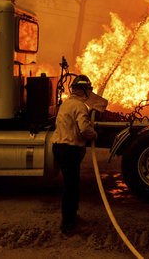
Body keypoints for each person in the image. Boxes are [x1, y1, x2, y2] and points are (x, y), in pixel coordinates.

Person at [51, 74, 98, 234]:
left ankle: (71, 216)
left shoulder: (66, 104)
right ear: (83, 91)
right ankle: (68, 224)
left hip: (59, 147)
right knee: (71, 187)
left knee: (72, 185)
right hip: (69, 149)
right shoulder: (79, 106)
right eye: (89, 90)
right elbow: (84, 129)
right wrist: (94, 134)